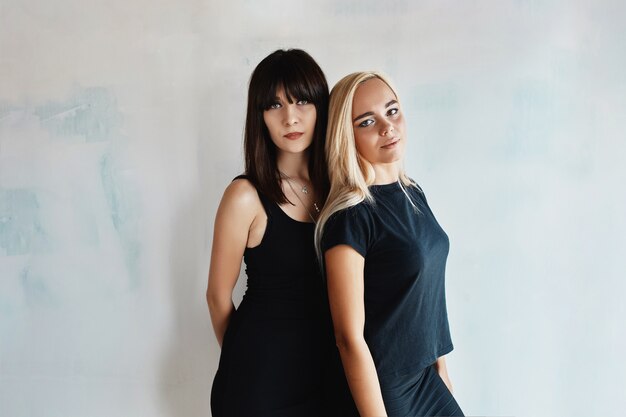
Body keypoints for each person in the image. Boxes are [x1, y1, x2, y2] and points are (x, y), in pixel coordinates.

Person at [206, 48, 354, 417]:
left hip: (327, 377)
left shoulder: (341, 189)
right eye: (274, 105)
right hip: (261, 384)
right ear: (260, 118)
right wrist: (246, 362)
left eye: (302, 101)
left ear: (322, 106)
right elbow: (216, 298)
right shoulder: (245, 196)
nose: (290, 117)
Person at [315, 71, 465, 417]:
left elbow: (428, 292)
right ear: (346, 137)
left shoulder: (412, 193)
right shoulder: (350, 217)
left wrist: (441, 369)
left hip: (427, 378)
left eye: (392, 111)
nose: (387, 126)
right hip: (385, 390)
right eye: (367, 122)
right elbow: (348, 338)